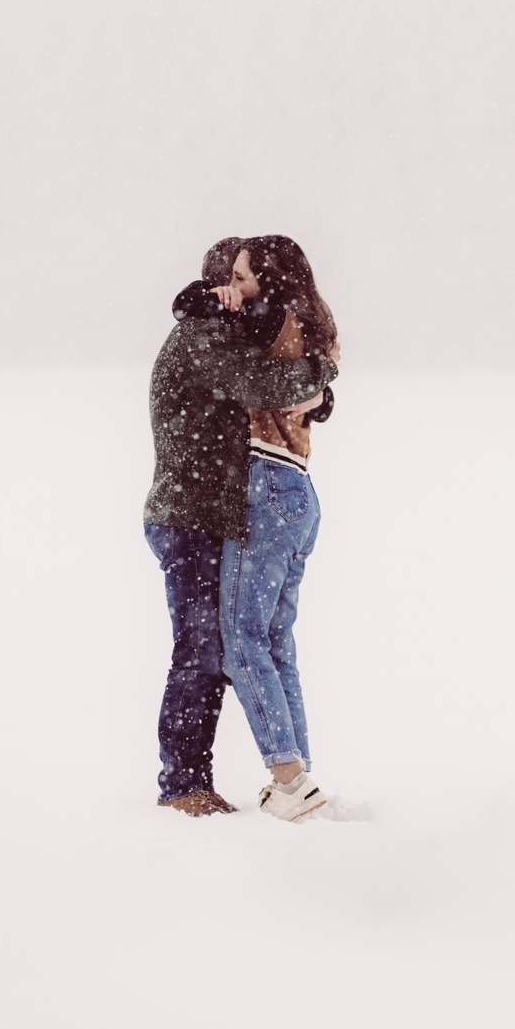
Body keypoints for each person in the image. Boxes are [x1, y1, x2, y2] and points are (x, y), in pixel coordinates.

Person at [144, 237, 338, 817]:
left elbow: (277, 377)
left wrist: (320, 393)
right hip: (189, 517)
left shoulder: (228, 337)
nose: (239, 290)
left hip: (215, 514)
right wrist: (322, 371)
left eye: (243, 278)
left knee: (227, 646)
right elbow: (264, 385)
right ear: (213, 285)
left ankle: (276, 776)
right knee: (202, 651)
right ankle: (183, 786)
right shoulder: (203, 336)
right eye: (228, 279)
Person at [214, 236, 339, 823]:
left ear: (268, 279)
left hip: (265, 485)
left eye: (241, 276)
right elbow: (314, 378)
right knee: (275, 641)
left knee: (241, 638)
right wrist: (323, 394)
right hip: (296, 492)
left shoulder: (269, 320)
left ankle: (287, 780)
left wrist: (213, 298)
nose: (232, 287)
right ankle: (300, 777)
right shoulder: (308, 324)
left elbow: (213, 314)